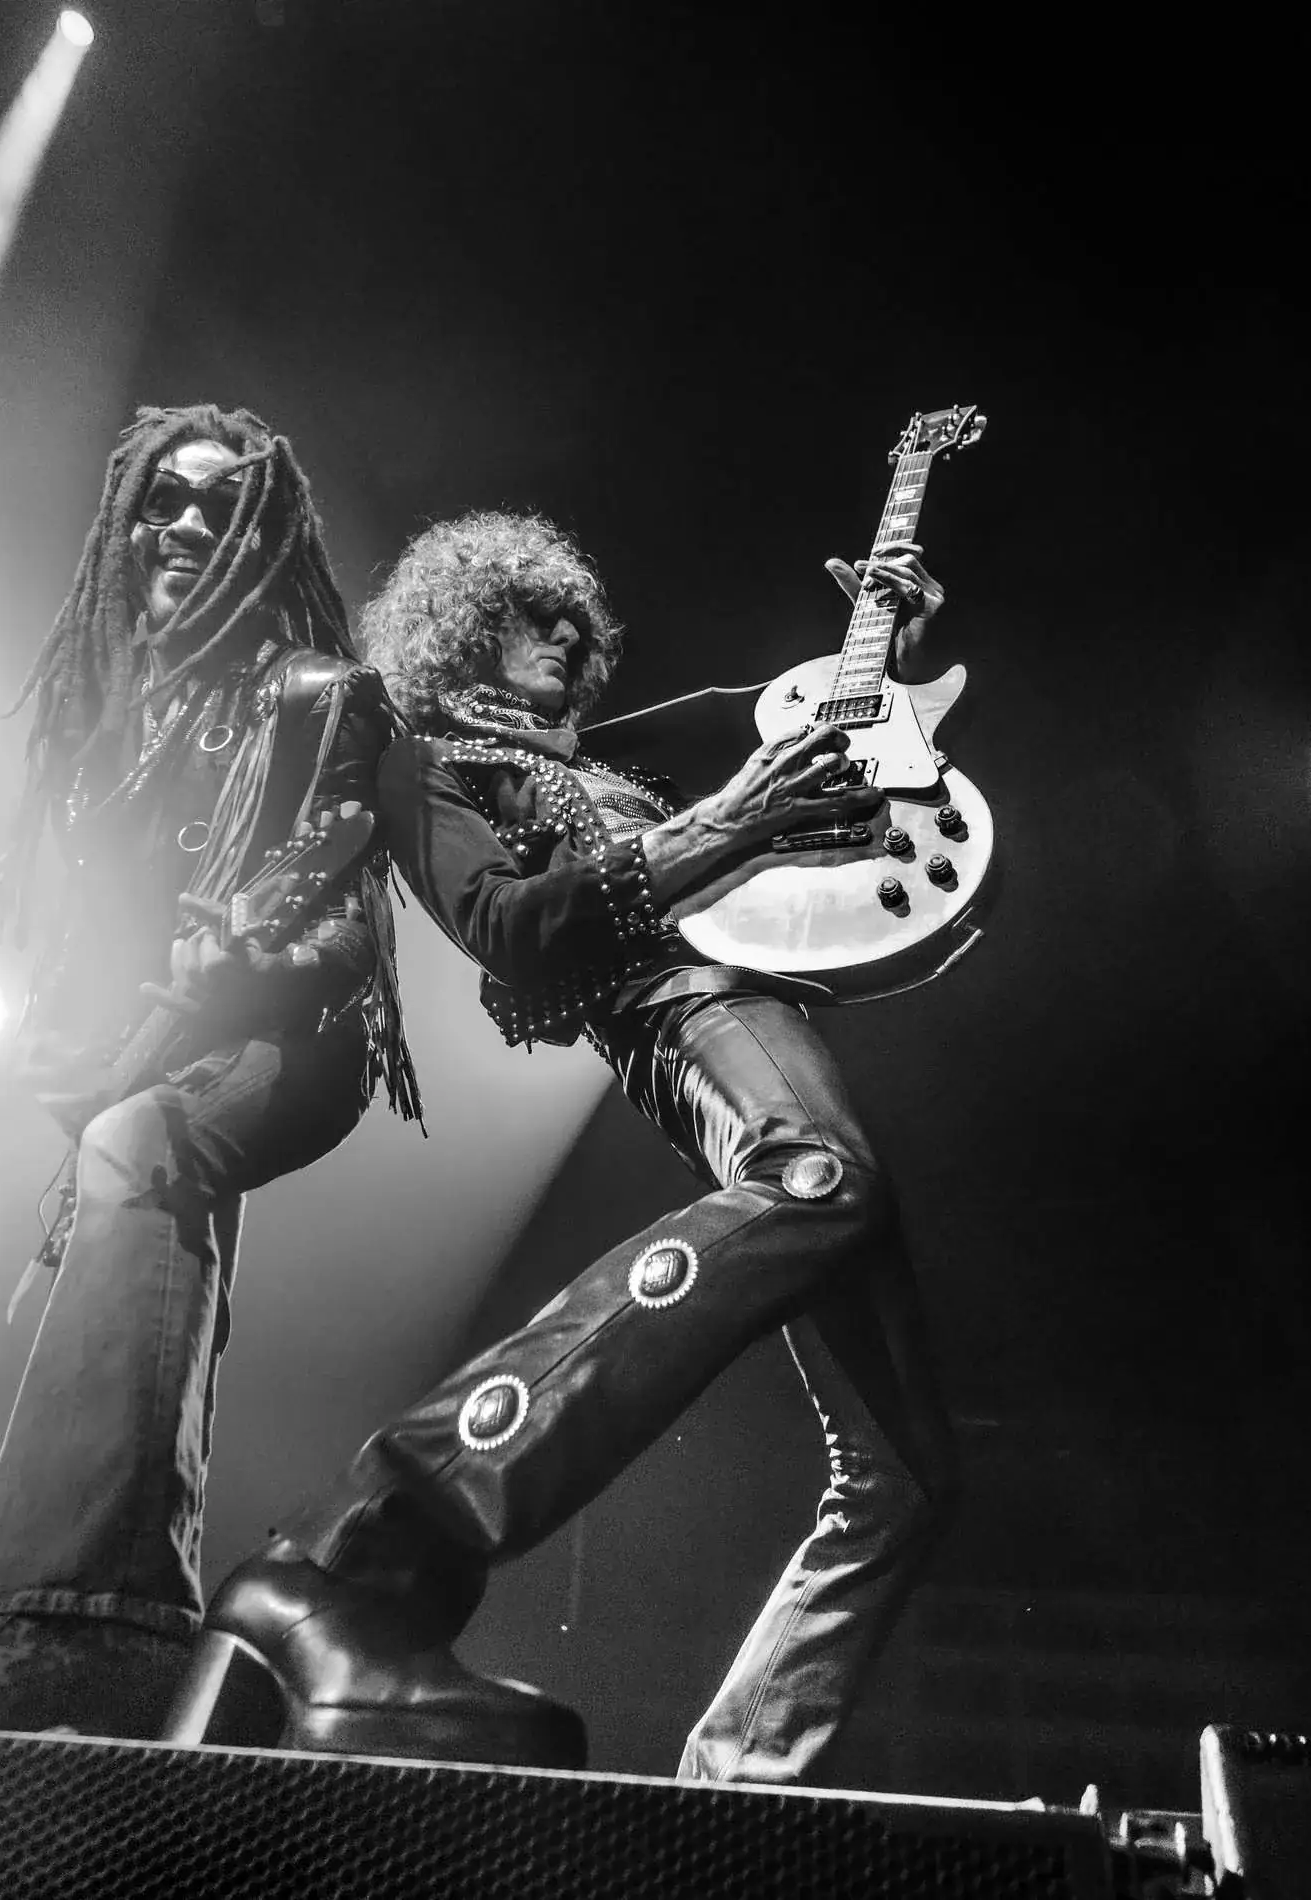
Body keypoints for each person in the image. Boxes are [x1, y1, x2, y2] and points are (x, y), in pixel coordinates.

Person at [167, 510, 958, 1779]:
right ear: (467, 626)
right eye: (538, 614)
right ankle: (378, 1526)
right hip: (682, 1007)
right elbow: (508, 928)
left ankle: (737, 1787)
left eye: (581, 627)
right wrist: (729, 825)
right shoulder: (431, 764)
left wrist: (890, 637)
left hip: (751, 1002)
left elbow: (815, 717)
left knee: (906, 1475)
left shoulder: (606, 751)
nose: (568, 638)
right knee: (816, 1177)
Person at [0, 404, 417, 1737]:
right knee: (138, 1218)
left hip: (291, 1042)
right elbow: (89, 929)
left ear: (265, 537)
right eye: (165, 500)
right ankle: (99, 1619)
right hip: (152, 1058)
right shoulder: (116, 724)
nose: (185, 526)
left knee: (146, 1151)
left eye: (222, 509)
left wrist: (236, 960)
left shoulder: (318, 696)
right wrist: (73, 1036)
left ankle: (73, 1630)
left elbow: (344, 924)